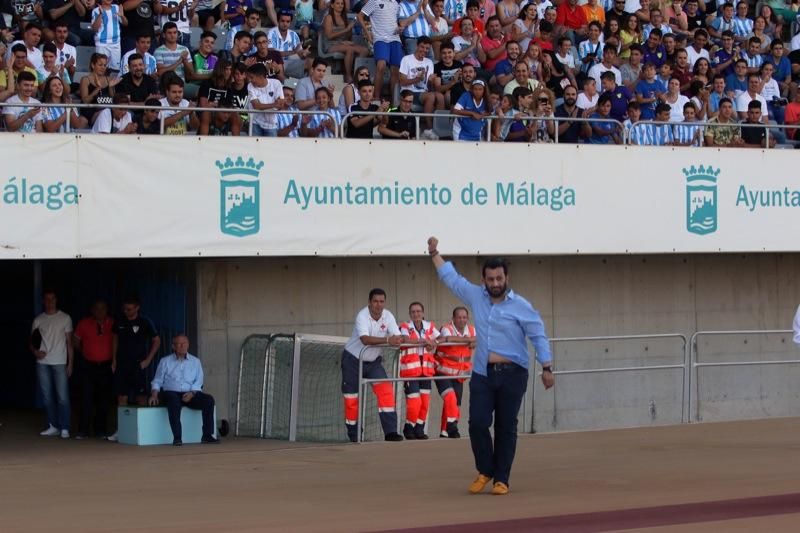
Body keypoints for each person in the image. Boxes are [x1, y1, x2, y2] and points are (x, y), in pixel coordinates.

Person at [427, 237, 553, 495]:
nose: (495, 283)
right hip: (482, 374)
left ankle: (501, 479)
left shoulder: (521, 306)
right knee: (477, 423)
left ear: (507, 278)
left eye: (499, 278)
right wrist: (434, 253)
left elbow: (538, 334)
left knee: (506, 426)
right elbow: (452, 279)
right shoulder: (476, 296)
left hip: (513, 374)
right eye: (490, 279)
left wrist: (547, 366)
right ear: (484, 280)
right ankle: (485, 469)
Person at [340, 288, 405, 443]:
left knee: (386, 391)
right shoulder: (362, 315)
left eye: (382, 301)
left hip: (374, 362)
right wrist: (389, 341)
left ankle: (390, 433)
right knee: (351, 399)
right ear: (369, 302)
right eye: (375, 301)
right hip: (352, 360)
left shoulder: (388, 316)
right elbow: (365, 340)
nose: (378, 305)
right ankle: (354, 435)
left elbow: (397, 337)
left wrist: (421, 342)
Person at [148, 335, 220, 446]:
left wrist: (192, 393)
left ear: (188, 345)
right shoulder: (165, 361)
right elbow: (157, 380)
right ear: (173, 346)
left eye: (185, 343)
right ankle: (177, 438)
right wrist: (154, 394)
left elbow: (199, 381)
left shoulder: (195, 361)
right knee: (173, 401)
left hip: (190, 393)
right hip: (171, 392)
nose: (182, 346)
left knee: (209, 400)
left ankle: (207, 435)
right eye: (179, 344)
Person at [108, 296, 160, 442]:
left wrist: (148, 359)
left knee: (141, 397)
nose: (126, 312)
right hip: (122, 364)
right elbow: (115, 339)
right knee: (121, 397)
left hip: (138, 364)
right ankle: (122, 429)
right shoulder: (119, 321)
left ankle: (145, 428)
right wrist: (114, 359)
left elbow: (156, 340)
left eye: (129, 309)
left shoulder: (145, 322)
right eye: (124, 309)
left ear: (137, 308)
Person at [30, 290, 74, 439]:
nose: (50, 301)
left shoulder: (65, 318)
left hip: (60, 361)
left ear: (56, 300)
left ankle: (65, 427)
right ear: (43, 301)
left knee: (62, 397)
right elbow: (32, 342)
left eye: (52, 298)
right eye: (47, 299)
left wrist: (70, 363)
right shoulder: (38, 319)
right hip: (42, 362)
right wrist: (36, 352)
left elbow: (70, 343)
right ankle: (53, 425)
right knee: (47, 396)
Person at [73, 300, 114, 439]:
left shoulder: (112, 323)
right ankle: (83, 430)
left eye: (103, 308)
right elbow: (75, 341)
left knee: (103, 400)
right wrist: (85, 352)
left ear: (107, 309)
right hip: (88, 365)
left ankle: (100, 430)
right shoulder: (84, 323)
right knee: (86, 398)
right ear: (92, 310)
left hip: (106, 366)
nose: (100, 311)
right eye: (97, 308)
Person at [398, 302, 438, 440]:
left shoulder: (430, 326)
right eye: (413, 312)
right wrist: (425, 341)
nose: (416, 314)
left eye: (419, 311)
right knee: (415, 403)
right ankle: (409, 428)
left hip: (426, 371)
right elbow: (406, 340)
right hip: (411, 372)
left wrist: (432, 343)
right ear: (410, 314)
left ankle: (419, 429)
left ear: (423, 313)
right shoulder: (405, 326)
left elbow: (437, 339)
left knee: (425, 403)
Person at [435, 306, 475, 438]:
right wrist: (467, 340)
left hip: (459, 374)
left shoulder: (471, 329)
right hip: (442, 372)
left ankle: (444, 432)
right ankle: (453, 428)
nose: (462, 320)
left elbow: (476, 340)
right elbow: (449, 338)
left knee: (455, 404)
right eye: (459, 317)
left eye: (464, 317)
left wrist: (470, 340)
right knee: (450, 398)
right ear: (453, 318)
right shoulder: (447, 328)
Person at [358, 0, 403, 99]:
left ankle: (394, 102)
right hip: (380, 39)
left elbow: (395, 22)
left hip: (395, 39)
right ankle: (376, 99)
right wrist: (367, 32)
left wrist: (399, 29)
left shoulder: (396, 4)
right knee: (381, 66)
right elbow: (359, 16)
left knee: (395, 70)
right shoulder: (374, 1)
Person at [399, 36, 442, 138]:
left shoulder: (429, 62)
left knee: (440, 96)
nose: (424, 50)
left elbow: (427, 86)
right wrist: (417, 79)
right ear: (417, 46)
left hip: (423, 92)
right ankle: (429, 128)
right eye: (422, 47)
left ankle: (439, 128)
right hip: (408, 92)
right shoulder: (406, 59)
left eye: (427, 48)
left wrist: (432, 81)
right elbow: (402, 82)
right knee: (431, 96)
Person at [247, 62, 285, 136]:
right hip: (255, 122)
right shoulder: (250, 86)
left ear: (261, 76)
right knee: (254, 147)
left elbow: (280, 105)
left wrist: (276, 105)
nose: (250, 80)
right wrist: (274, 104)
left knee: (271, 147)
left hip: (271, 124)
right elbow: (256, 106)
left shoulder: (276, 83)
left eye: (252, 77)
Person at [92, 0, 127, 73]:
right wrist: (100, 14)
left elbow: (125, 23)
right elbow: (94, 28)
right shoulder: (96, 10)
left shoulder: (116, 8)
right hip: (102, 44)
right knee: (101, 69)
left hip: (116, 44)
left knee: (115, 70)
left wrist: (122, 16)